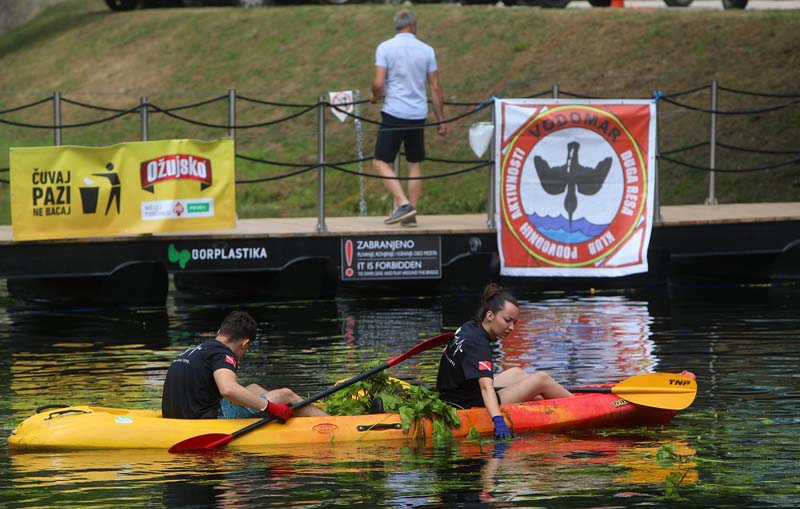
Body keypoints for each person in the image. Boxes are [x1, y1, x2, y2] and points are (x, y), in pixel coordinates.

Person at [436, 284, 572, 439]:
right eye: (507, 320)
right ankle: (581, 408)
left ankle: (548, 403)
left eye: (514, 322)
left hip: (454, 392)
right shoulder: (479, 345)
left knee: (518, 373)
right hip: (468, 402)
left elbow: (445, 351)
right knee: (542, 379)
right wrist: (498, 420)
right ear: (490, 315)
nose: (511, 327)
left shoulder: (468, 327)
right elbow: (486, 388)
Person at [162, 310, 327, 419]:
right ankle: (331, 421)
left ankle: (301, 410)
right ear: (244, 343)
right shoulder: (223, 354)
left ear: (219, 333)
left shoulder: (196, 350)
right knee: (286, 395)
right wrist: (270, 407)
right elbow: (228, 389)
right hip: (208, 418)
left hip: (181, 415)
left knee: (254, 388)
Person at [370, 9, 447, 227]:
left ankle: (403, 204)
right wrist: (441, 120)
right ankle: (410, 215)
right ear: (413, 25)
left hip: (394, 112)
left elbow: (378, 83)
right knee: (414, 163)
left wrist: (375, 97)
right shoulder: (427, 50)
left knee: (380, 161)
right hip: (417, 114)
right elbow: (435, 87)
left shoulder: (384, 48)